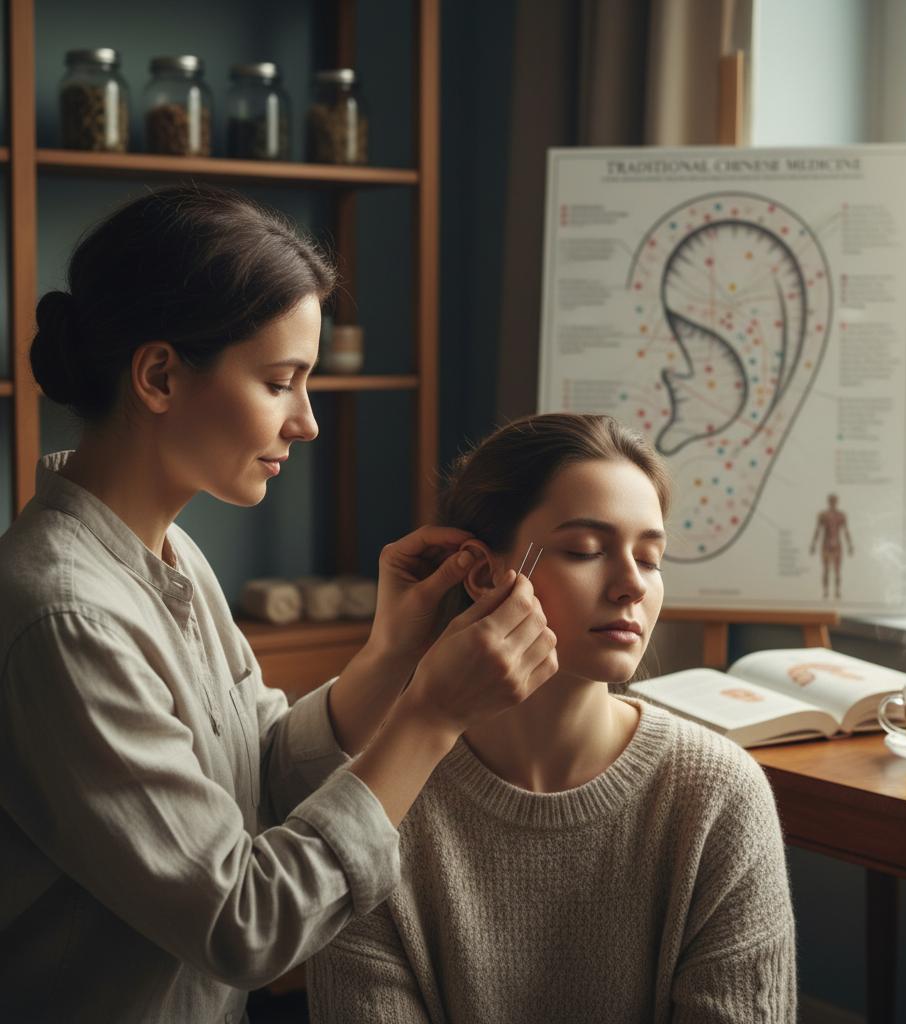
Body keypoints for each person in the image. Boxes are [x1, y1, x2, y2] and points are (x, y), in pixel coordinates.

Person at [0, 184, 557, 1023]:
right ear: (158, 376)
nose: (306, 423)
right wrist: (431, 715)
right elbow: (243, 923)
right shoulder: (65, 617)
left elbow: (256, 774)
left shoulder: (167, 551)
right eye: (279, 382)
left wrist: (391, 661)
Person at [308, 413, 797, 1024]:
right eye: (585, 551)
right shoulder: (379, 800)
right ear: (484, 573)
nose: (630, 586)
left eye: (650, 559)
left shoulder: (720, 796)